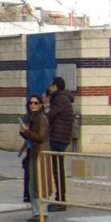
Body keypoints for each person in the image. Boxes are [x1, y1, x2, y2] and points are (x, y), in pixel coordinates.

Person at [20, 94, 50, 222]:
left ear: (41, 105)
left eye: (36, 103)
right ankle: (36, 211)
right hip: (32, 152)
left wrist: (26, 131)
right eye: (31, 103)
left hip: (40, 154)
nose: (33, 105)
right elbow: (31, 137)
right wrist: (23, 132)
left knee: (39, 183)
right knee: (32, 183)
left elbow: (40, 137)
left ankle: (41, 211)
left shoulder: (42, 118)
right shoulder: (31, 118)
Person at [45, 76, 74, 212]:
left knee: (58, 171)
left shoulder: (59, 99)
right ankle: (60, 198)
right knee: (58, 169)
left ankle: (61, 200)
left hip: (58, 139)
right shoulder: (64, 98)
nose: (49, 88)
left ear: (55, 87)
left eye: (51, 86)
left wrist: (44, 105)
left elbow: (49, 117)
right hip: (61, 138)